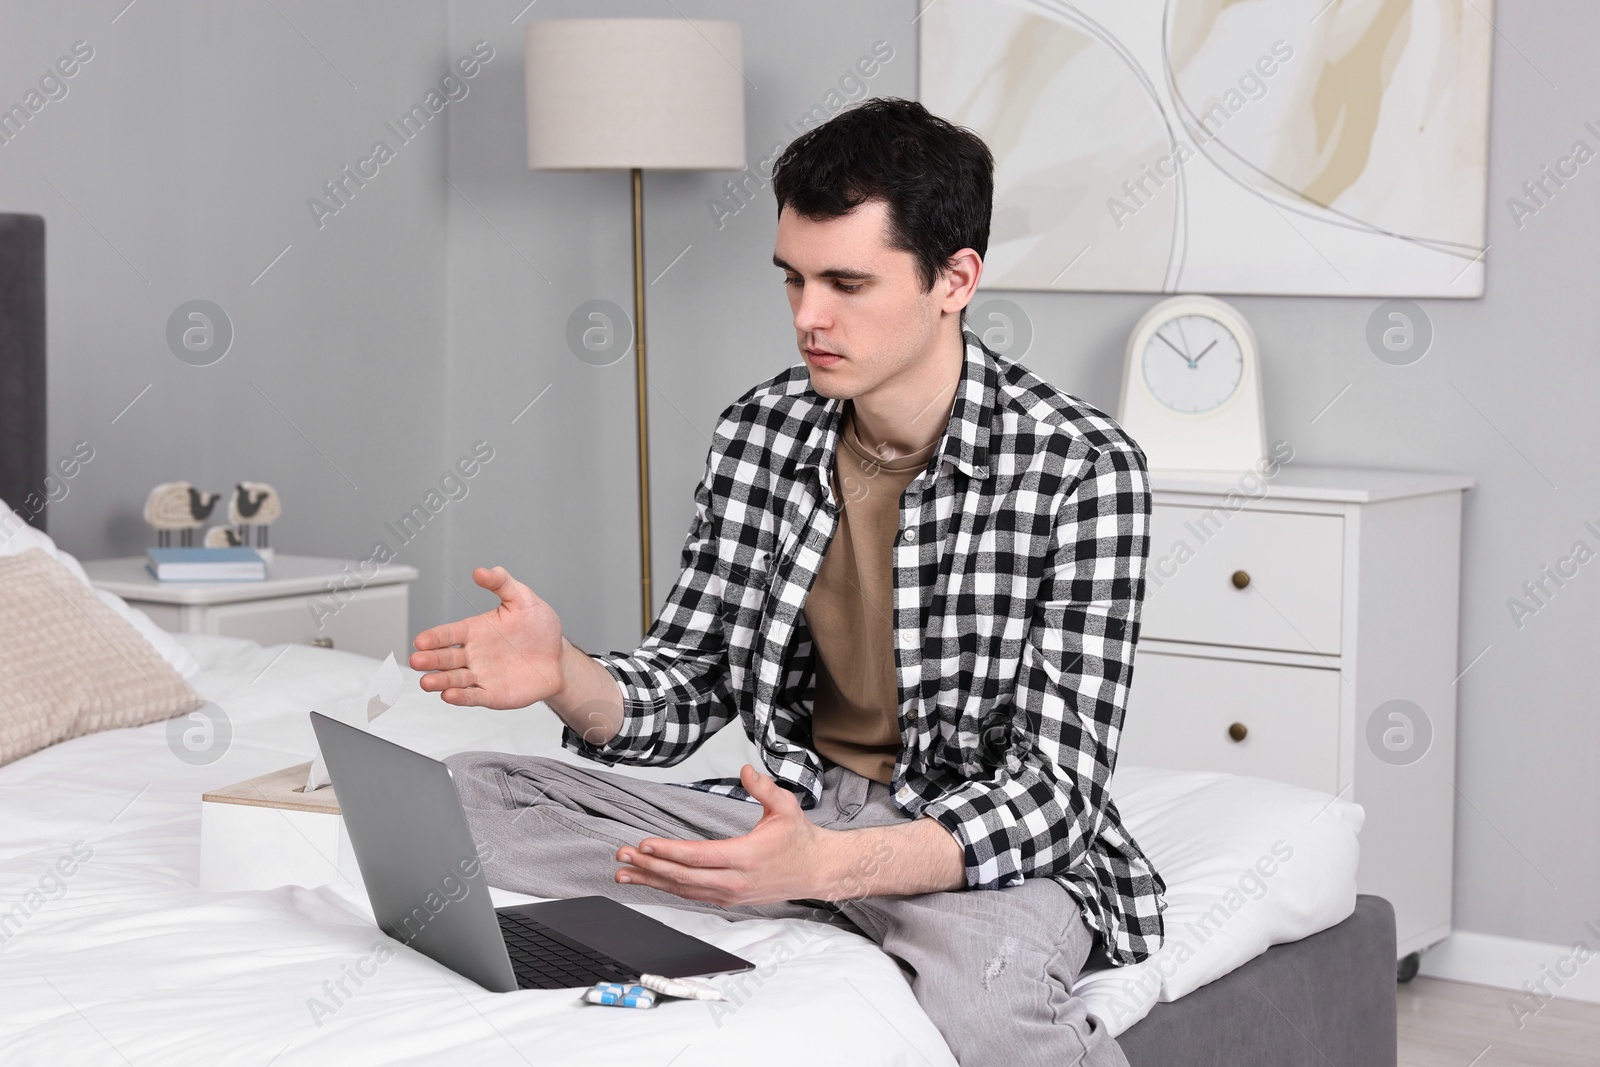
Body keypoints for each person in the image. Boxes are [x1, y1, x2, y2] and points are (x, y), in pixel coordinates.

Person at [411, 97, 1165, 1067]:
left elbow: (1056, 794)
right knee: (468, 795)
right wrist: (564, 671)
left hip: (973, 849)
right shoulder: (761, 430)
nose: (809, 316)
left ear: (955, 279)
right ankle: (806, 892)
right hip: (794, 805)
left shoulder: (1083, 467)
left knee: (988, 1016)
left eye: (847, 283)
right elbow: (688, 684)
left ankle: (820, 892)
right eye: (794, 279)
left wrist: (831, 864)